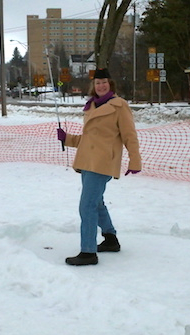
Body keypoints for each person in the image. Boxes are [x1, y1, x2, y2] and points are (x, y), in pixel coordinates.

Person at [56, 68, 142, 266]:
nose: (101, 86)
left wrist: (135, 160)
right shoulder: (91, 106)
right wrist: (67, 138)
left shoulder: (119, 106)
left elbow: (130, 136)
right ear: (93, 86)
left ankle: (88, 252)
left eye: (104, 82)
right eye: (97, 83)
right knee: (96, 202)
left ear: (110, 84)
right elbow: (90, 139)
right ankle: (110, 239)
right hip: (87, 161)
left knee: (86, 206)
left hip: (103, 163)